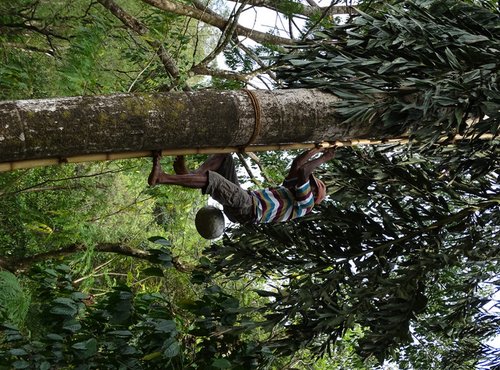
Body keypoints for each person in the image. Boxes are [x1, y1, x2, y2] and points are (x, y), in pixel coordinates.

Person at [148, 148, 335, 224]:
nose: (306, 181)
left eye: (310, 184)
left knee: (214, 180)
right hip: (247, 199)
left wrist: (325, 157)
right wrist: (317, 148)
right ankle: (188, 175)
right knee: (225, 158)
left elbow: (304, 172)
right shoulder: (289, 191)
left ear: (314, 193)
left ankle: (162, 178)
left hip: (248, 208)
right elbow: (297, 165)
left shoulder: (307, 204)